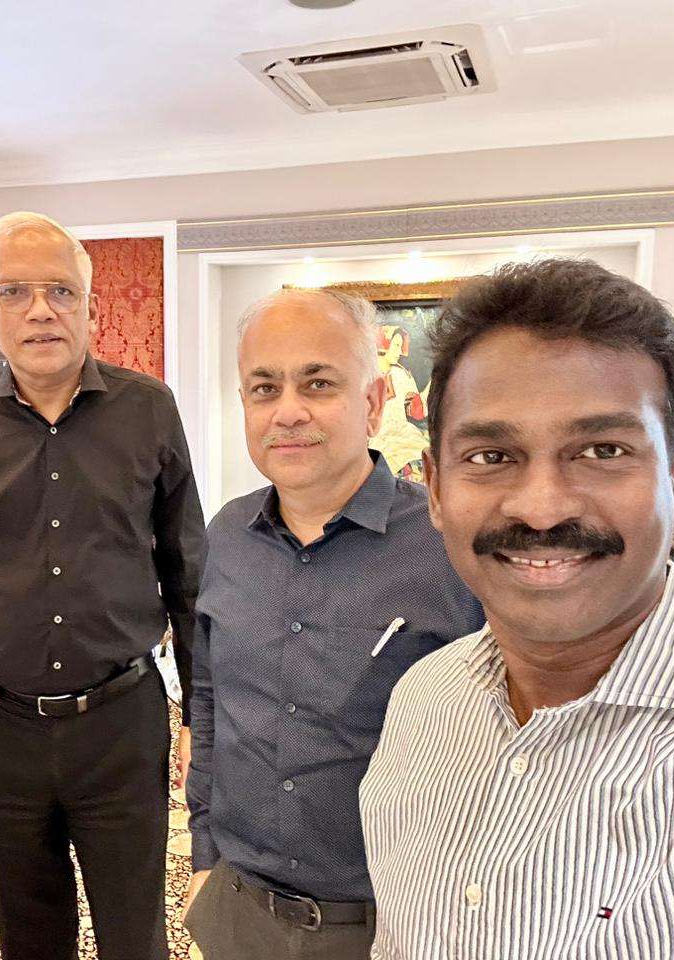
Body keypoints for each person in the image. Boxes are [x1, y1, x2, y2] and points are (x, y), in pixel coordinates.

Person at [360, 259, 674, 959]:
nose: (541, 508)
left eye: (602, 450)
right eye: (492, 456)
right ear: (436, 489)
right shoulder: (424, 699)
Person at [0, 212, 204, 960]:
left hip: (121, 721)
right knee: (29, 935)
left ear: (90, 308)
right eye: (16, 292)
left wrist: (203, 716)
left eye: (61, 291)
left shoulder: (149, 409)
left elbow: (188, 574)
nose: (41, 310)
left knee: (135, 934)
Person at [184, 289, 483, 960]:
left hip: (394, 925)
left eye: (318, 384)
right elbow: (209, 697)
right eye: (264, 388)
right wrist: (204, 853)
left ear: (373, 403)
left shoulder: (448, 546)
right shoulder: (227, 534)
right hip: (240, 910)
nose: (288, 411)